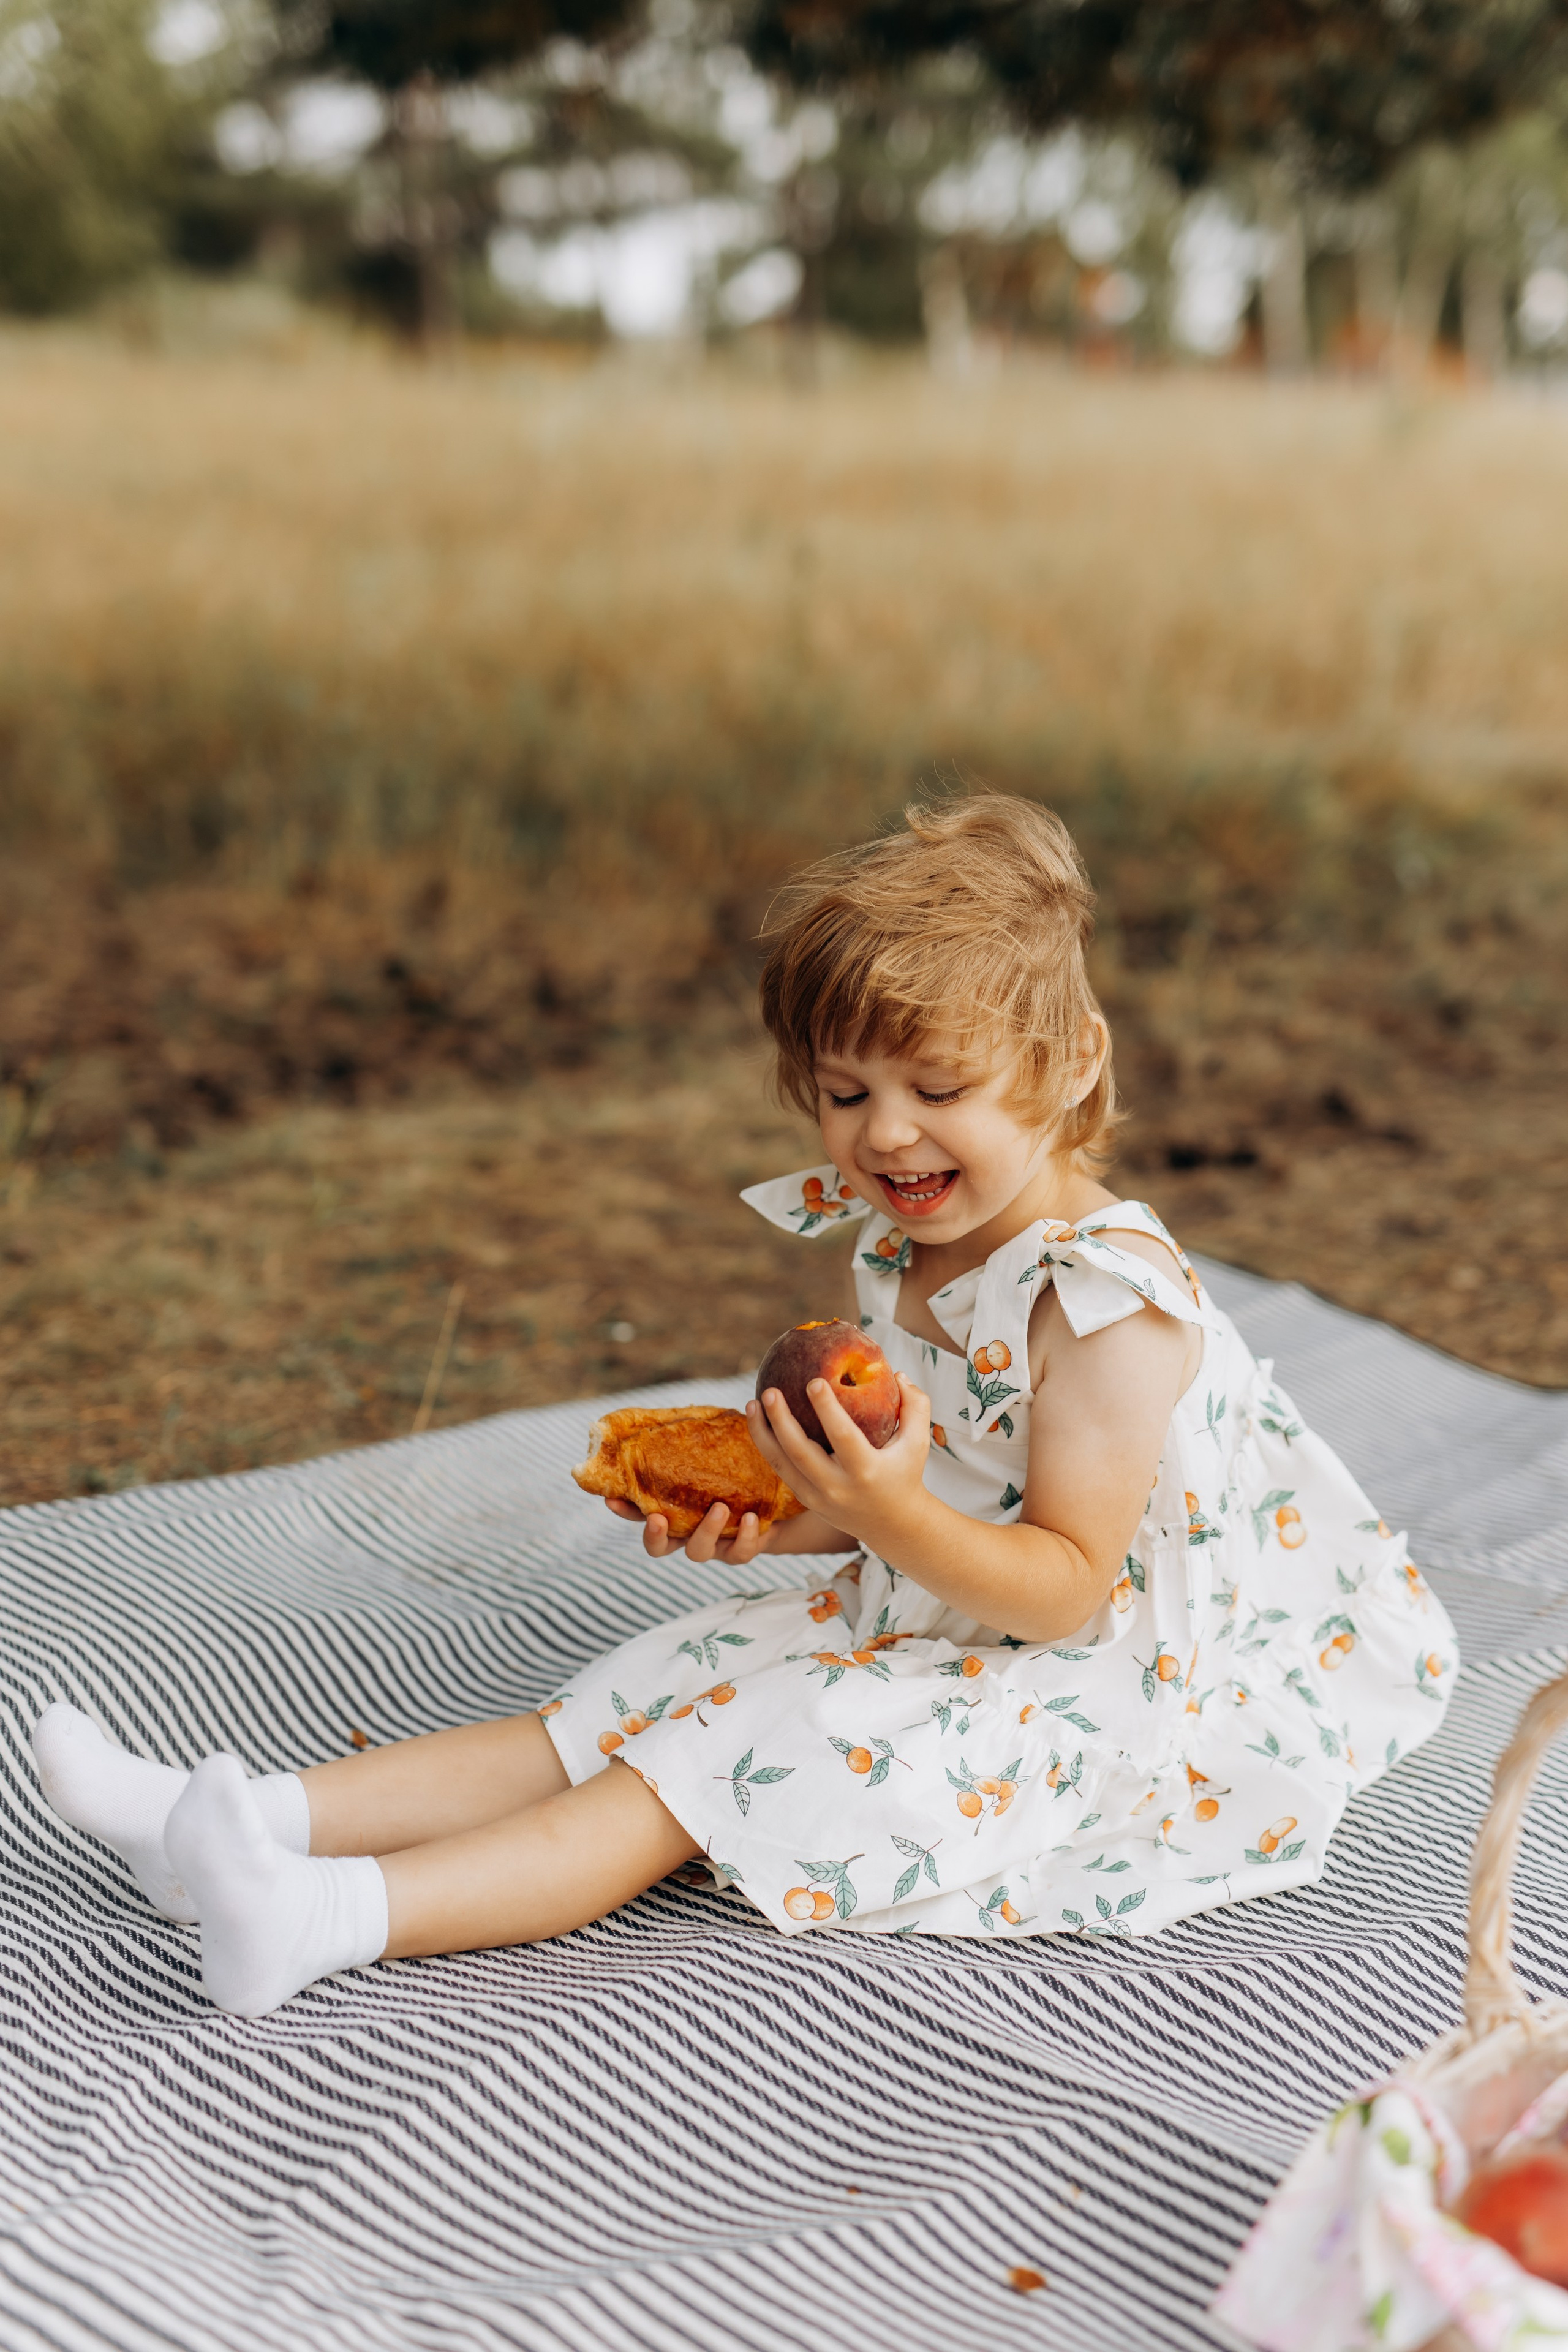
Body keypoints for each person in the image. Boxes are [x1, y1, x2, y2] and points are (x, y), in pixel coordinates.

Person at [31, 794, 1458, 2014]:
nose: (883, 1133)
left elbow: (1066, 1591)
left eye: (937, 1085)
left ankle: (324, 1919)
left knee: (688, 1766)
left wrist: (882, 1513)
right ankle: (215, 1819)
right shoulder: (903, 1239)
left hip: (1086, 1690)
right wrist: (789, 1522)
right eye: (842, 1093)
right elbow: (935, 1495)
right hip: (942, 1608)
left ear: (1070, 1065)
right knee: (617, 1701)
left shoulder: (1099, 1306)